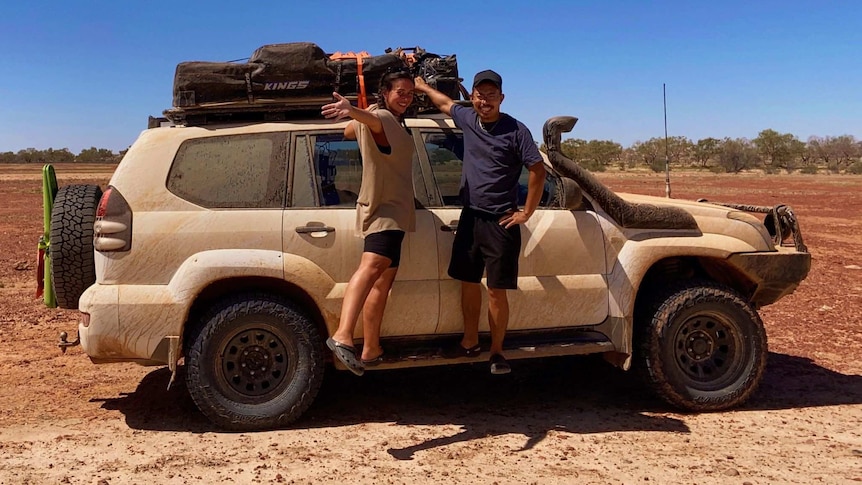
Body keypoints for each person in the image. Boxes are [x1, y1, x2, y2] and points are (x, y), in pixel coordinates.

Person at [414, 70, 546, 375]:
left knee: (496, 291)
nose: (484, 100)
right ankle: (470, 340)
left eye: (490, 95)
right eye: (479, 94)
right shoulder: (467, 118)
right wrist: (422, 87)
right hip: (470, 217)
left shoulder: (516, 130)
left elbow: (537, 170)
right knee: (468, 282)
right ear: (472, 95)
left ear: (501, 98)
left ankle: (497, 353)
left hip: (502, 221)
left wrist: (527, 212)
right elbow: (446, 103)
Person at [320, 70, 417, 376]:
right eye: (400, 91)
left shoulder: (386, 122)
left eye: (410, 93)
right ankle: (343, 335)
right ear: (384, 93)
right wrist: (356, 111)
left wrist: (356, 120)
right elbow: (372, 122)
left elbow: (352, 132)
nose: (406, 97)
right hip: (384, 211)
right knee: (372, 267)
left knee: (382, 281)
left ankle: (371, 348)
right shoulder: (383, 118)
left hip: (396, 212)